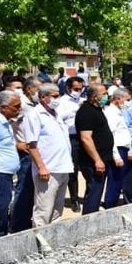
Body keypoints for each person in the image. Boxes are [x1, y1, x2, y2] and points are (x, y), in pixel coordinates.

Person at [22, 83, 73, 231]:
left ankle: (53, 240)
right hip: (48, 169)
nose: (58, 99)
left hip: (63, 167)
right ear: (43, 98)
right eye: (55, 96)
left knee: (57, 209)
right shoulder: (34, 115)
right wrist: (41, 167)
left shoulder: (56, 114)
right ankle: (40, 243)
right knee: (43, 209)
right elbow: (31, 145)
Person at [75, 83, 114, 214]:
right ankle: (89, 219)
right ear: (93, 97)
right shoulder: (86, 111)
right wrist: (97, 160)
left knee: (97, 190)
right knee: (94, 191)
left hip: (104, 157)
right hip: (93, 161)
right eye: (103, 94)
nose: (106, 96)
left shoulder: (97, 109)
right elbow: (86, 138)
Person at [0, 91, 22, 240]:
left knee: (1, 213)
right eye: (16, 107)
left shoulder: (4, 122)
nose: (19, 109)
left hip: (3, 176)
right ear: (3, 107)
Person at [9, 76, 41, 233]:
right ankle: (17, 227)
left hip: (35, 152)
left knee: (32, 191)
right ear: (30, 89)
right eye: (39, 88)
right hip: (24, 153)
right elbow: (5, 124)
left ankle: (26, 223)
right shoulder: (19, 104)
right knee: (23, 190)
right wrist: (15, 143)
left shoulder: (35, 104)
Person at [57, 76, 85, 212]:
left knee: (87, 167)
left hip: (84, 137)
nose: (78, 91)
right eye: (76, 89)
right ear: (68, 88)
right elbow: (59, 118)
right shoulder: (61, 102)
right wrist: (76, 110)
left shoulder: (84, 100)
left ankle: (87, 196)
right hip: (70, 137)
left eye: (81, 89)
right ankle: (74, 199)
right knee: (73, 170)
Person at [103, 88, 132, 208]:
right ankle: (109, 205)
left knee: (120, 179)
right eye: (127, 100)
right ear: (118, 99)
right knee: (115, 180)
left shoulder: (119, 111)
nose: (129, 102)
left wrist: (130, 149)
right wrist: (116, 156)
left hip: (124, 148)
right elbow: (110, 136)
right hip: (117, 150)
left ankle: (114, 203)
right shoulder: (111, 113)